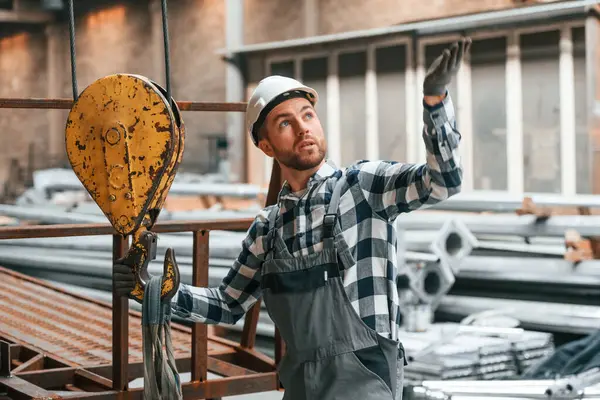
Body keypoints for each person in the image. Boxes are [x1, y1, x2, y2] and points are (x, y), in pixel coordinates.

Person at [114, 37, 471, 400]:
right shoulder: (267, 230)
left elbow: (444, 181)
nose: (303, 129)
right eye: (285, 123)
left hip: (364, 381)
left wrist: (435, 101)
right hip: (301, 385)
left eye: (308, 115)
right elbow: (227, 304)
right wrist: (153, 290)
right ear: (266, 146)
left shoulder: (364, 189)